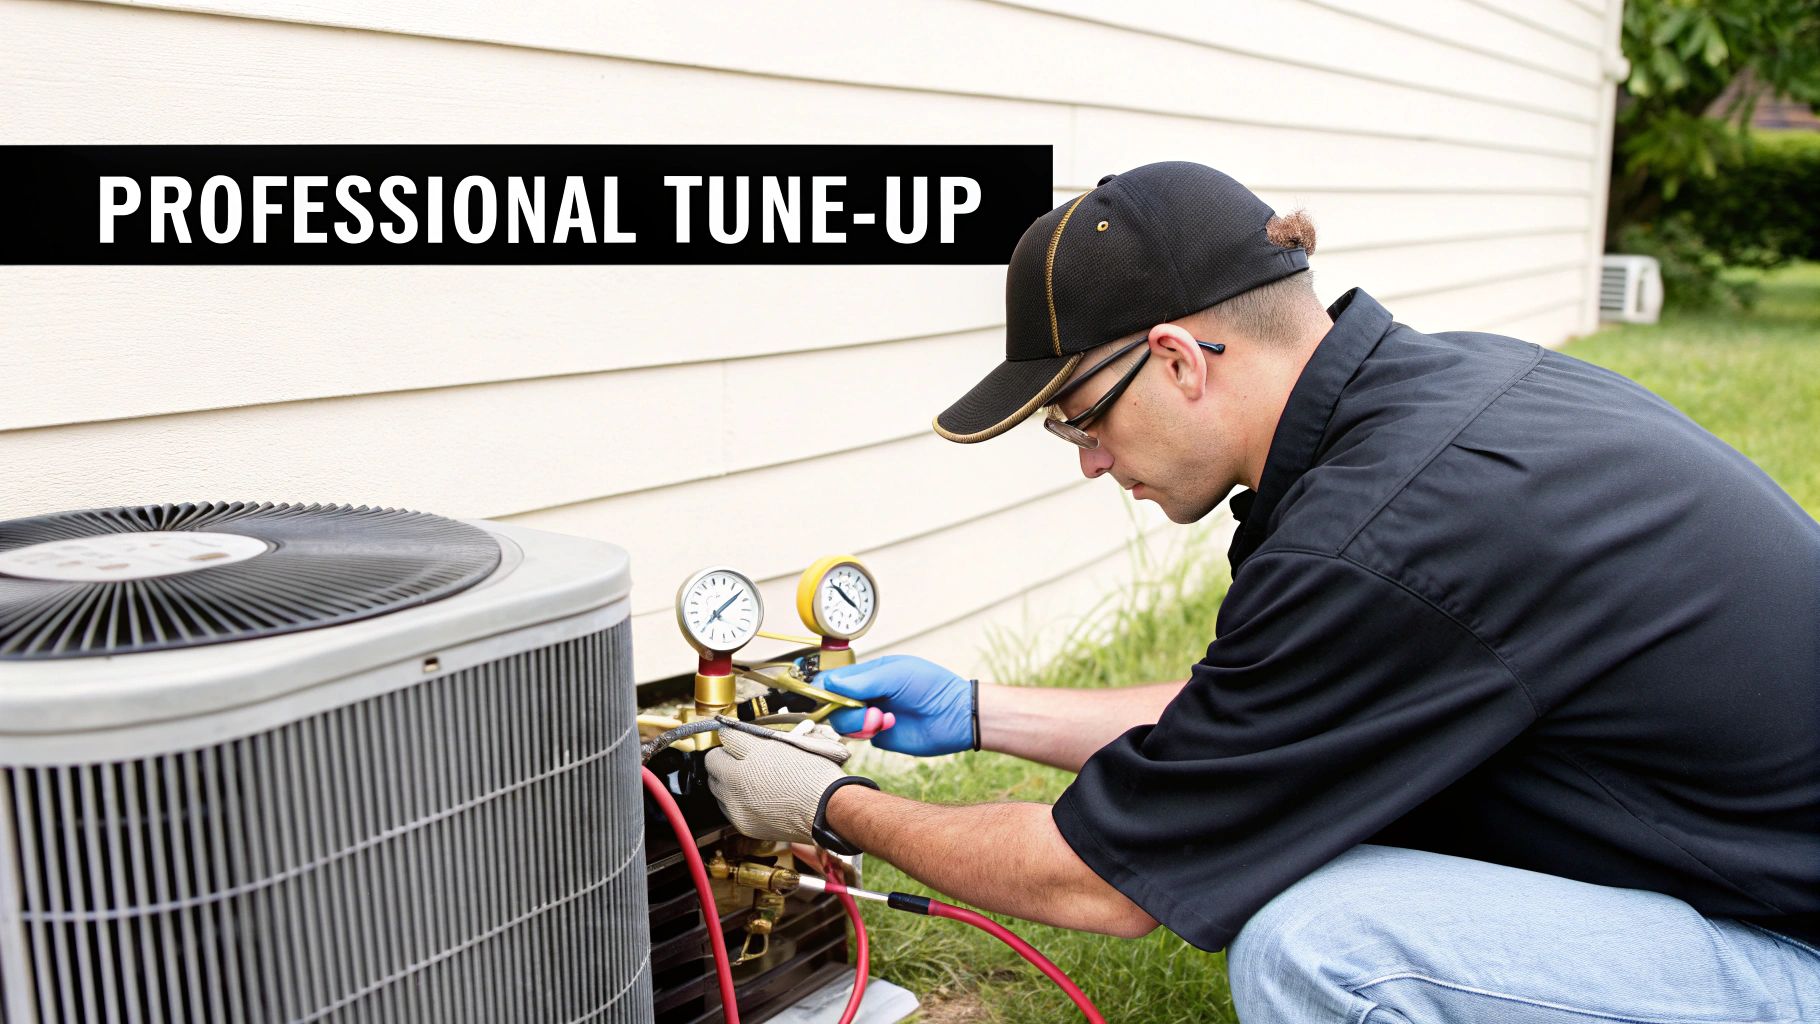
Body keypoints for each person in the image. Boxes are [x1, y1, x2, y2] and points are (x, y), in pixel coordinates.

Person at [704, 161, 1820, 1021]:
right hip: (1752, 868)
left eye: (1079, 419)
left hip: (1791, 948)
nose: (1090, 462)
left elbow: (1100, 882)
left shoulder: (1383, 533)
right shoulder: (1439, 400)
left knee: (1321, 944)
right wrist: (979, 708)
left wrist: (826, 806)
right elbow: (1255, 726)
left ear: (1178, 360)